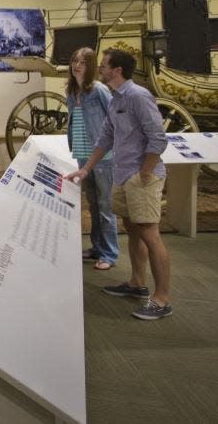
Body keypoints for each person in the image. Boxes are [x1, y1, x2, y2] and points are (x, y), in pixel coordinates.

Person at [66, 48, 171, 320]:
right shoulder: (115, 99)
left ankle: (161, 299)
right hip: (123, 174)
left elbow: (158, 138)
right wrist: (86, 169)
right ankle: (137, 283)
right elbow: (106, 137)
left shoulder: (138, 96)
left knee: (150, 233)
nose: (99, 69)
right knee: (132, 228)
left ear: (118, 70)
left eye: (103, 65)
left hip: (140, 176)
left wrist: (145, 173)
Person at [66, 47, 118, 271]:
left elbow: (114, 118)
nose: (78, 65)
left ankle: (110, 253)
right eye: (75, 60)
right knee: (93, 205)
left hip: (103, 156)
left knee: (105, 206)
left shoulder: (99, 90)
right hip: (82, 155)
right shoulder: (71, 91)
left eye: (83, 62)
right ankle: (97, 247)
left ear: (91, 66)